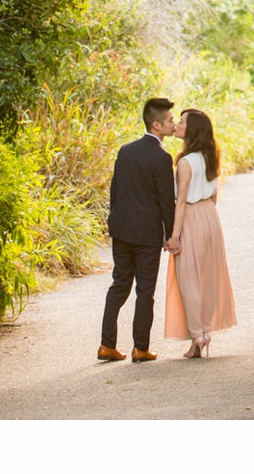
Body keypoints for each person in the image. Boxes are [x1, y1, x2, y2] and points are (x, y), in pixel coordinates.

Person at [98, 97, 178, 363]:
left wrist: (115, 222)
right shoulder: (161, 157)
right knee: (145, 290)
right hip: (146, 235)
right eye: (170, 120)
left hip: (121, 230)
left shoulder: (126, 150)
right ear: (156, 125)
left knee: (119, 285)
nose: (173, 123)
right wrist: (171, 234)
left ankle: (106, 345)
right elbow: (167, 201)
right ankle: (140, 348)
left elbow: (115, 190)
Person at [164, 107, 237, 358]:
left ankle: (198, 335)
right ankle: (203, 332)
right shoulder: (210, 156)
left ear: (191, 130)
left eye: (182, 122)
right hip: (210, 215)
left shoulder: (185, 162)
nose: (177, 125)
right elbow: (214, 193)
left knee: (188, 279)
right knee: (207, 277)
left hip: (192, 214)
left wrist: (175, 235)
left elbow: (181, 201)